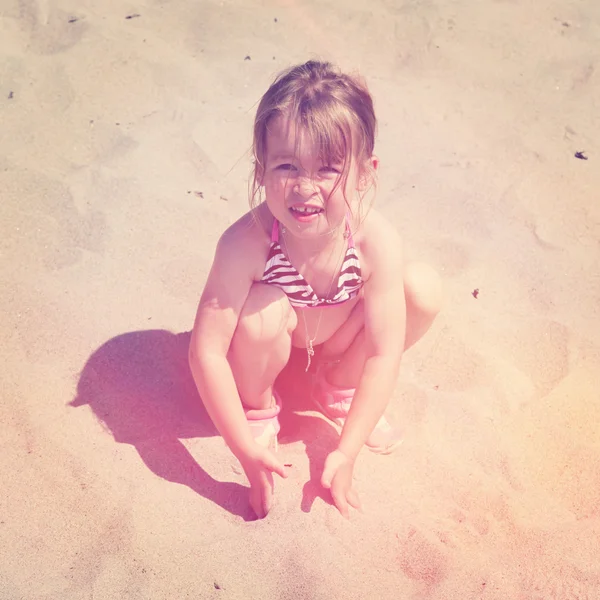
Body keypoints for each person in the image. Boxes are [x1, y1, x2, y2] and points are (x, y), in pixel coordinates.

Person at [189, 60, 442, 519]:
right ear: (261, 168)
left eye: (328, 169)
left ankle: (338, 389)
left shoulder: (373, 240)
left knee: (420, 289)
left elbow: (385, 352)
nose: (305, 187)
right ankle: (259, 407)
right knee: (263, 310)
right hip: (265, 350)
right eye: (286, 165)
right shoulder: (245, 243)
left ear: (365, 173)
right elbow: (205, 352)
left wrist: (345, 453)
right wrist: (244, 450)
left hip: (332, 345)